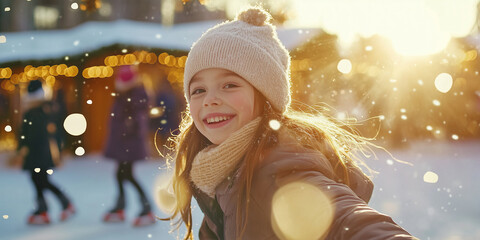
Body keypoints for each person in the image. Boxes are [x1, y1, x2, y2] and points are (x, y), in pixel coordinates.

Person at [160, 6, 417, 240]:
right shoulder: (220, 170)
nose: (210, 100)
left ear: (265, 96)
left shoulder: (281, 168)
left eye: (229, 85)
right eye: (198, 90)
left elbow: (348, 221)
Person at [14, 79, 75, 225]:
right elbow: (26, 133)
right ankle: (44, 207)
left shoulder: (43, 111)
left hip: (41, 154)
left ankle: (62, 204)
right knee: (38, 180)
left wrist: (24, 146)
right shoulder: (36, 111)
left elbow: (38, 134)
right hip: (36, 153)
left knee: (41, 180)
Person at [102, 65, 155, 227]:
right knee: (121, 174)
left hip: (128, 143)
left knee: (127, 175)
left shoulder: (135, 94)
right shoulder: (124, 94)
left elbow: (137, 119)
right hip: (122, 142)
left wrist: (127, 127)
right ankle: (122, 206)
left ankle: (146, 207)